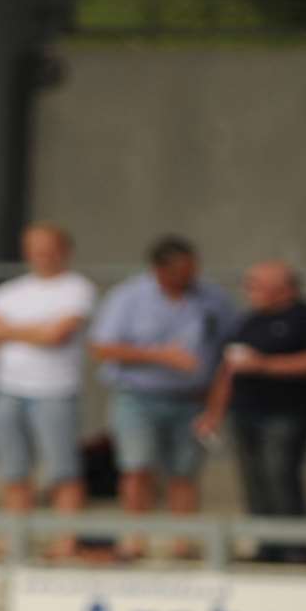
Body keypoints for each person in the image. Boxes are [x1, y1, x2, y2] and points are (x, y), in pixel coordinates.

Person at [87, 236, 236, 558]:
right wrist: (160, 356)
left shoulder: (212, 298)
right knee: (137, 467)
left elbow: (229, 351)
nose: (188, 278)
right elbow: (103, 347)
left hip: (191, 399)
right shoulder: (129, 297)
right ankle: (135, 539)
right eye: (180, 272)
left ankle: (183, 541)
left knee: (184, 472)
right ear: (159, 270)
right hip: (139, 397)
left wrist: (215, 405)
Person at [196, 261, 306, 562]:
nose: (250, 290)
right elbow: (228, 370)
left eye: (256, 284)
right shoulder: (248, 321)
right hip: (246, 412)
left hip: (289, 412)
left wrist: (264, 365)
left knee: (281, 475)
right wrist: (214, 412)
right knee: (254, 479)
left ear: (284, 287)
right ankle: (267, 545)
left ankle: (296, 545)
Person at [0, 223, 97, 552]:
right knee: (13, 468)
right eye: (35, 246)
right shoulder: (8, 291)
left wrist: (10, 331)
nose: (41, 253)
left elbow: (56, 335)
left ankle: (66, 538)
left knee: (62, 468)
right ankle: (16, 537)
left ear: (64, 250)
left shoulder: (76, 287)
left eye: (48, 246)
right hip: (8, 387)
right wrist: (35, 331)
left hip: (55, 389)